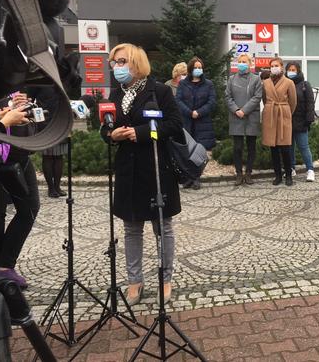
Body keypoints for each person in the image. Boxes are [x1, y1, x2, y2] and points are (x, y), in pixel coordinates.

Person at [101, 43, 183, 305]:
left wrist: (143, 133)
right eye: (114, 62)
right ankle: (134, 281)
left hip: (157, 169)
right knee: (131, 228)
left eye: (122, 61)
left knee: (163, 227)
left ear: (136, 63)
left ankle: (165, 278)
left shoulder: (159, 91)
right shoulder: (114, 94)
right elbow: (104, 128)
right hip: (127, 170)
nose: (117, 67)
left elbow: (173, 125)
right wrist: (111, 135)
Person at [0, 94, 35, 288]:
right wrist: (2, 119)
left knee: (30, 209)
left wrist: (22, 109)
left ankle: (5, 266)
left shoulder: (14, 84)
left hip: (21, 155)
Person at [175, 57, 217, 189]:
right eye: (195, 67)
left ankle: (197, 177)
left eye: (200, 67)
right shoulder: (183, 84)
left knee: (199, 151)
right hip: (186, 121)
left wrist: (199, 112)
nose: (198, 70)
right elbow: (178, 100)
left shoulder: (208, 84)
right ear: (190, 69)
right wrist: (189, 112)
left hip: (202, 122)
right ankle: (189, 177)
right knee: (186, 151)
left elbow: (211, 101)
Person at [225, 54, 263, 186]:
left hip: (251, 116)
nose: (241, 64)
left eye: (244, 62)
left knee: (251, 147)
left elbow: (257, 97)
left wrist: (244, 110)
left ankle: (248, 173)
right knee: (237, 148)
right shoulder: (231, 79)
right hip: (236, 117)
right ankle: (239, 174)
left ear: (250, 63)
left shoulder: (256, 79)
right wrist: (236, 110)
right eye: (239, 62)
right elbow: (228, 97)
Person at [262, 58, 297, 186]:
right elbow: (264, 99)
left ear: (282, 67)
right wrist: (270, 109)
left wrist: (286, 112)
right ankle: (277, 175)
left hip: (283, 114)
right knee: (273, 148)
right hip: (271, 114)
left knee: (285, 147)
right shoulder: (266, 82)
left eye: (276, 65)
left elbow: (293, 102)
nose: (274, 68)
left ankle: (288, 174)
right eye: (272, 66)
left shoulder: (289, 82)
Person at [286, 61, 316, 182]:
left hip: (301, 120)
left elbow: (310, 103)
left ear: (298, 71)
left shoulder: (304, 84)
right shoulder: (285, 83)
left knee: (303, 146)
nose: (291, 72)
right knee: (289, 147)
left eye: (293, 70)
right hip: (287, 121)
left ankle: (310, 170)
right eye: (289, 69)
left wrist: (309, 120)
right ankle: (291, 168)